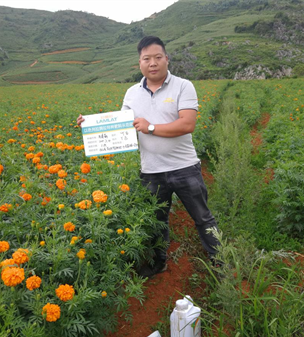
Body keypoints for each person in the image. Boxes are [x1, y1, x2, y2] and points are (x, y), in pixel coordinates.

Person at [77, 36, 220, 278]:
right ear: (139, 63)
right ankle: (158, 263)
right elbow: (119, 126)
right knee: (157, 222)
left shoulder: (183, 86)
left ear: (166, 59)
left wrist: (151, 127)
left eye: (157, 57)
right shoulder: (132, 93)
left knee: (203, 218)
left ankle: (221, 262)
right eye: (146, 59)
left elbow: (187, 124)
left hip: (185, 167)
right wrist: (89, 126)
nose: (152, 63)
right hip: (151, 170)